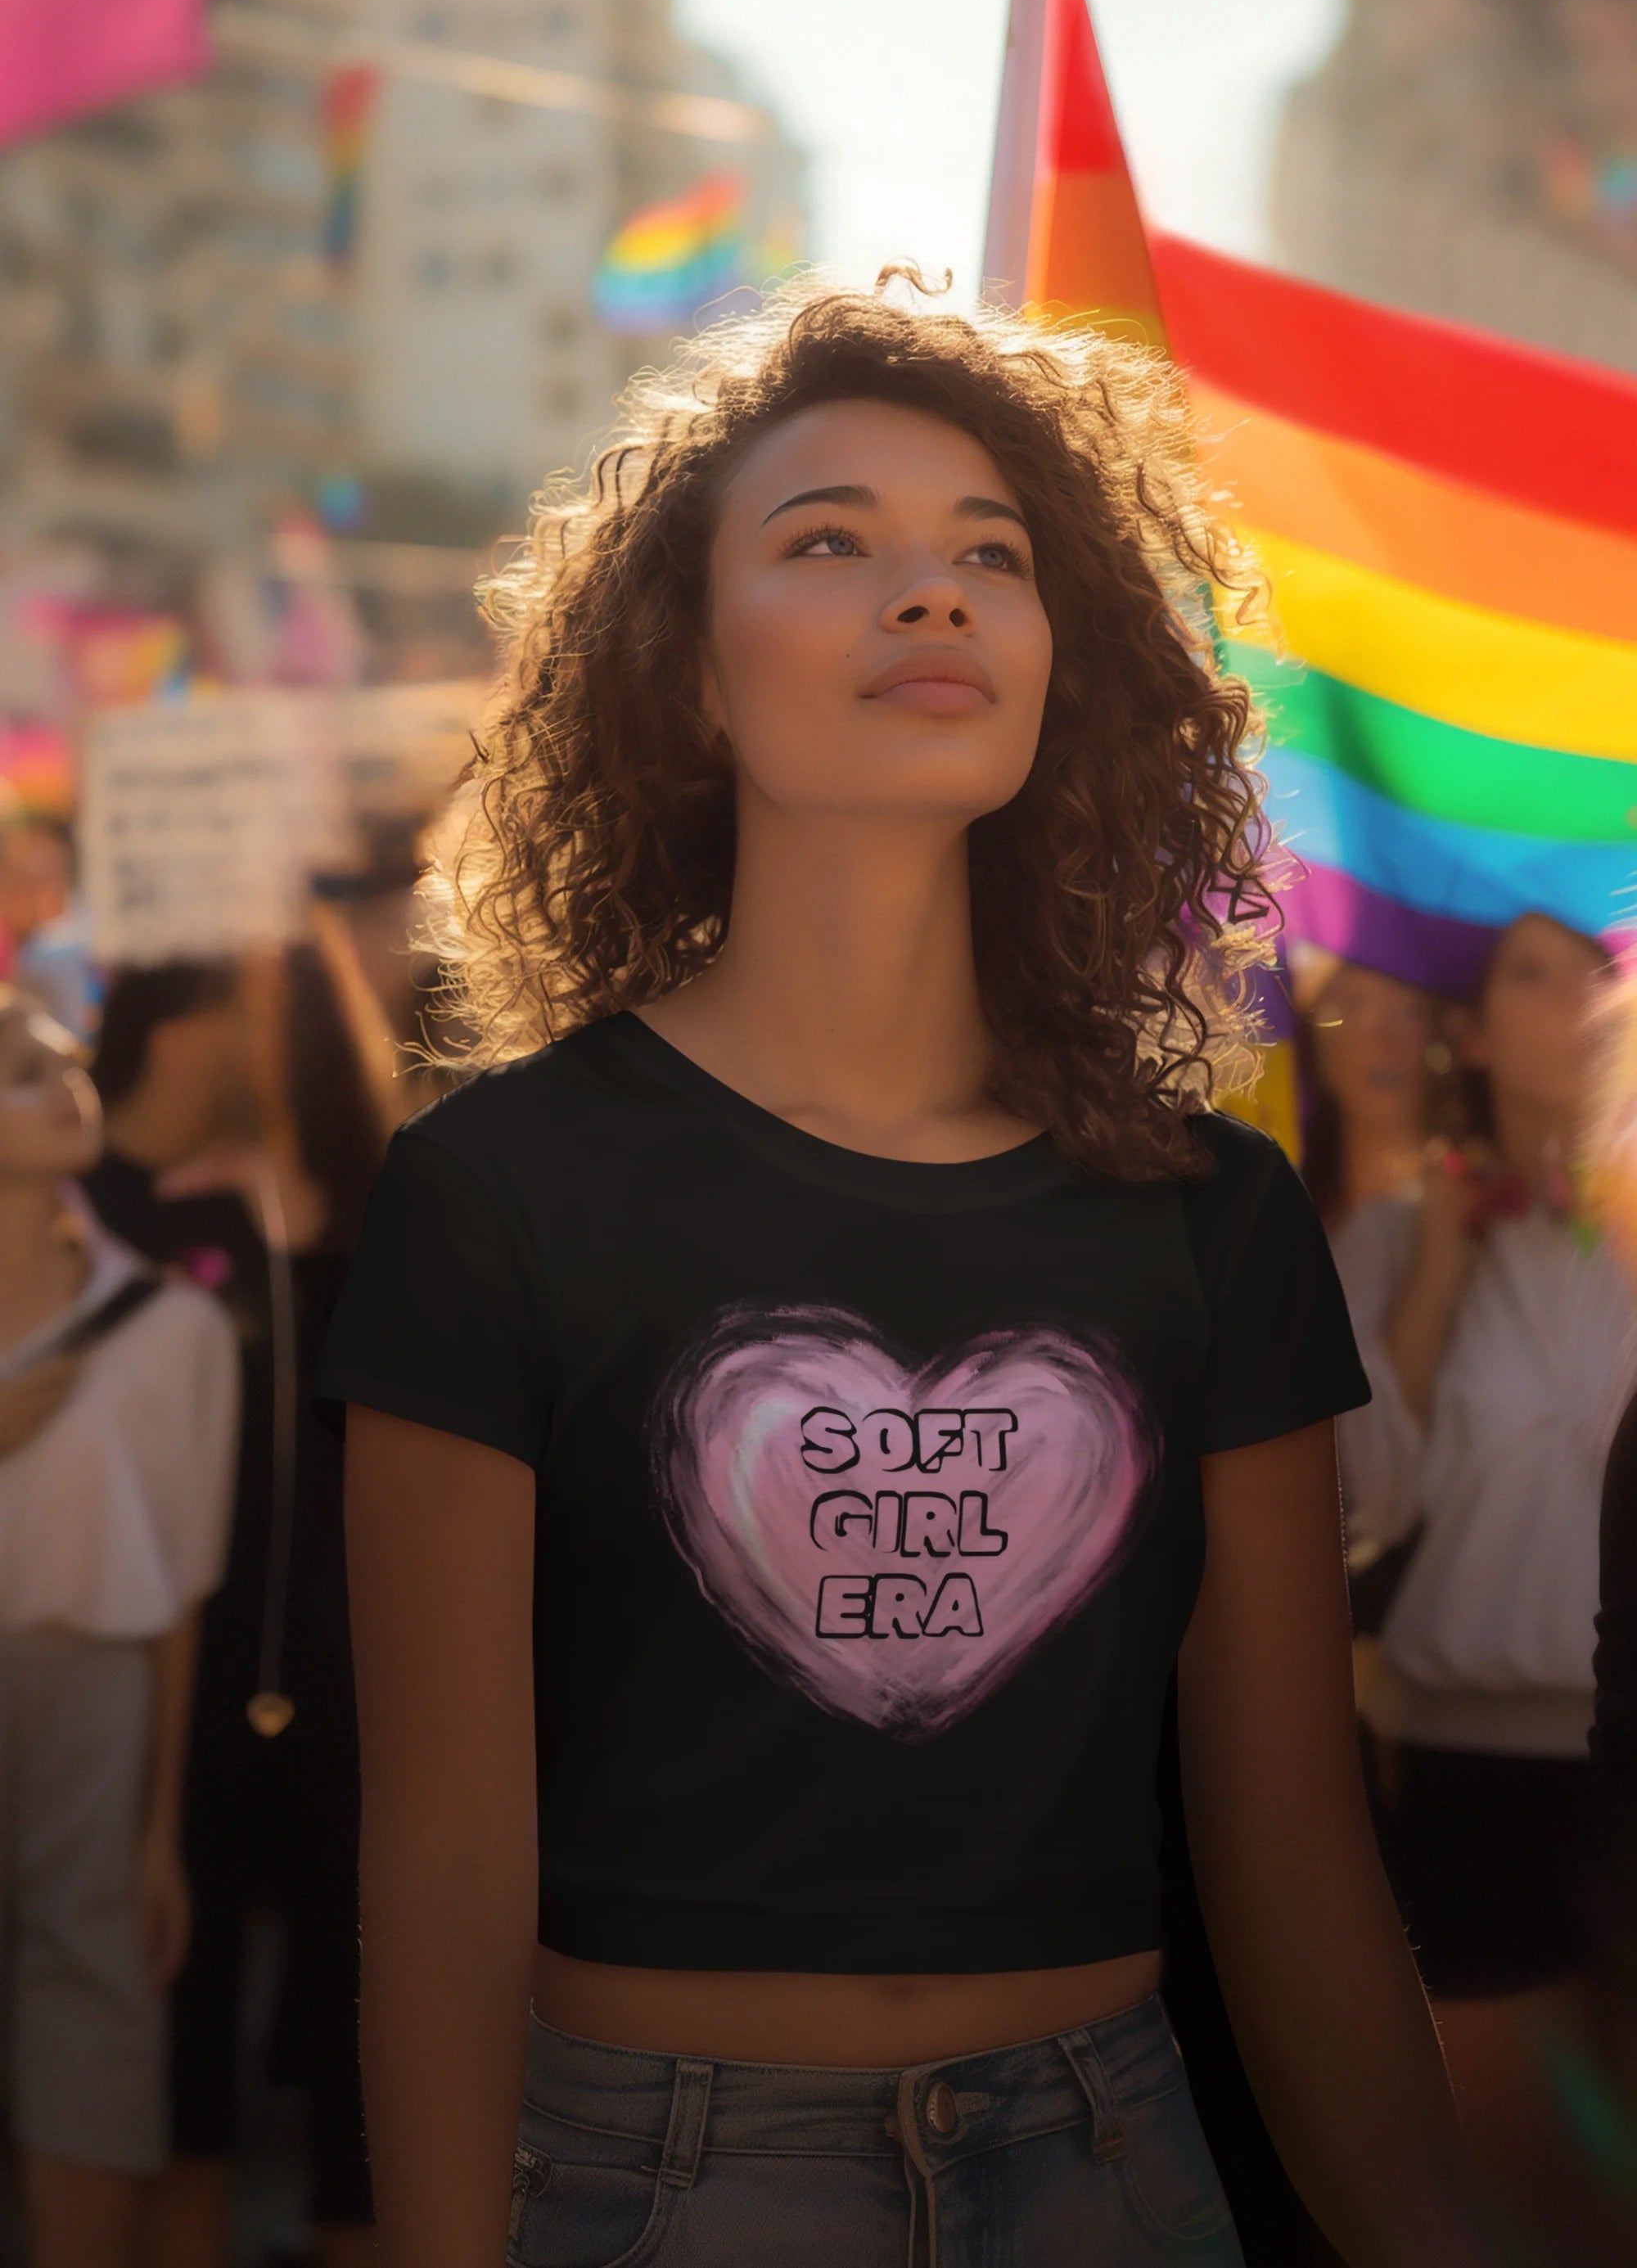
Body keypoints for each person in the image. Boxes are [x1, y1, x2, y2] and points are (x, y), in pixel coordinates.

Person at [321, 273, 1469, 2268]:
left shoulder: (1210, 1214)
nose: (927, 597)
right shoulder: (492, 1190)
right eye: (828, 543)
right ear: (685, 674)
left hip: (1110, 2168)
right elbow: (438, 1861)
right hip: (648, 2187)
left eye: (987, 558)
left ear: (1060, 661)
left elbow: (1287, 1857)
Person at [1334, 912, 1635, 2244]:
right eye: (1533, 967)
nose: (1577, 992)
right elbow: (1358, 1496)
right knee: (1522, 2195)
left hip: (1628, 1756)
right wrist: (1442, 1264)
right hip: (1467, 1770)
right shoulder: (1402, 1233)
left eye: (1599, 963)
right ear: (1466, 1020)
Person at [84, 947, 386, 2268]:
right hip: (166, 1662)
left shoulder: (395, 1195)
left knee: (363, 2028)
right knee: (171, 2026)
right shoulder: (88, 1204)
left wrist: (290, 1234)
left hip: (360, 1664)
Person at [0, 990, 237, 2268]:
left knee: (92, 2001)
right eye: (20, 1073)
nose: (66, 1089)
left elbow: (179, 1594)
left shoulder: (172, 1328)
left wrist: (162, 1829)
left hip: (95, 1690)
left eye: (66, 1064)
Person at [1296, 962, 1441, 1233]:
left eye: (1412, 1011)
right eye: (1354, 1006)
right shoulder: (1277, 1203)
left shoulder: (1473, 1206)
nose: (1385, 1038)